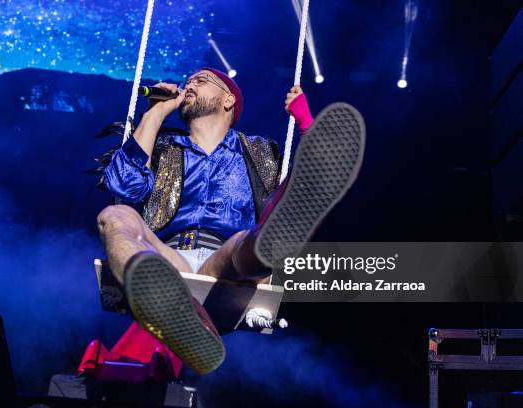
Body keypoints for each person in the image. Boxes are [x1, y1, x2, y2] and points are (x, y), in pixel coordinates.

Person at [97, 67, 365, 374]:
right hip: (167, 258)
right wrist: (156, 113)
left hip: (225, 263)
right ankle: (149, 285)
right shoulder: (163, 147)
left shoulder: (260, 152)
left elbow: (304, 183)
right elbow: (123, 184)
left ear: (228, 100)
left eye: (201, 80)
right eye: (189, 81)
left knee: (244, 242)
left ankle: (273, 243)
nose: (189, 85)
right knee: (114, 215)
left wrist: (305, 123)